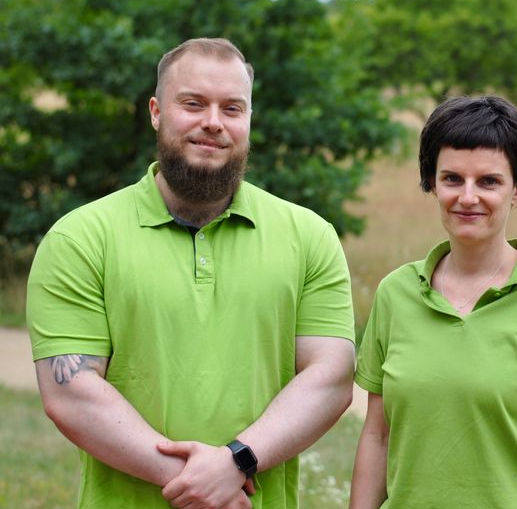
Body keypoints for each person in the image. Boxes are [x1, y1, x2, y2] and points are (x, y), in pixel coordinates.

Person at [26, 38, 356, 509]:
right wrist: (200, 483)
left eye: (232, 108)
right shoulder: (80, 238)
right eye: (193, 104)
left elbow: (331, 377)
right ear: (157, 111)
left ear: (249, 120)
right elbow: (71, 394)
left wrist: (236, 462)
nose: (213, 123)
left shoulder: (310, 236)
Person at [349, 96, 517, 509]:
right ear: (432, 183)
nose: (468, 197)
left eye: (489, 181)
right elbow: (377, 436)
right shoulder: (394, 294)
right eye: (452, 179)